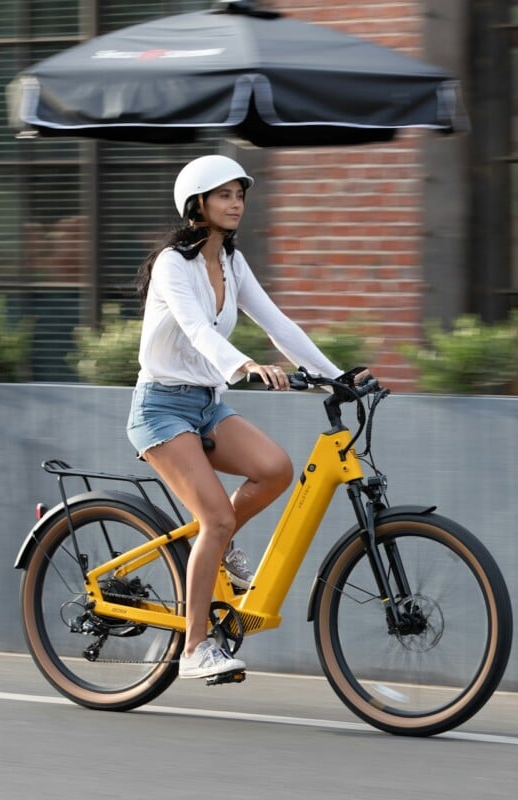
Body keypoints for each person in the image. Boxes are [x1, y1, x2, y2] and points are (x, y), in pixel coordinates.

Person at [127, 154, 351, 680]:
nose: (236, 204)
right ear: (196, 204)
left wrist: (337, 376)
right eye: (224, 195)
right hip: (160, 408)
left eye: (240, 194)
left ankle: (218, 547)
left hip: (206, 405)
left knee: (274, 469)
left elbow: (279, 324)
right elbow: (196, 328)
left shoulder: (231, 261)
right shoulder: (172, 264)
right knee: (217, 519)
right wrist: (245, 365)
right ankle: (194, 649)